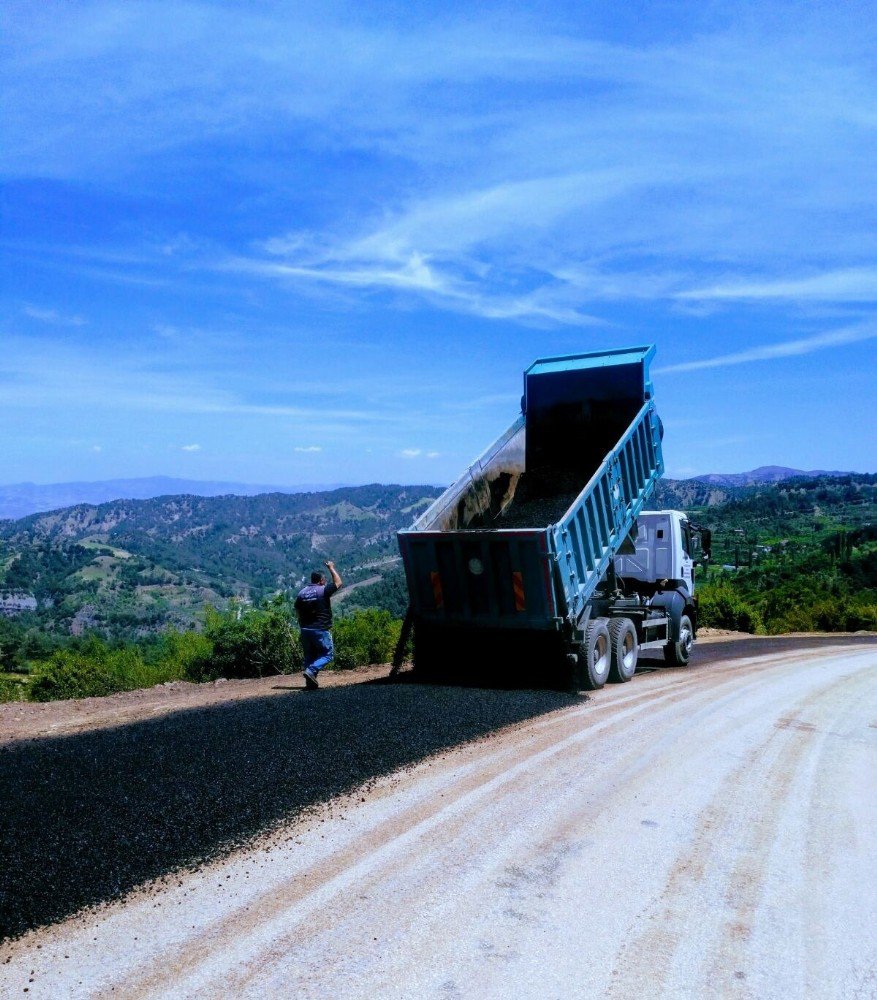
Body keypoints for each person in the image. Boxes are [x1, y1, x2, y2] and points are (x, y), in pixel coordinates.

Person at [294, 560, 343, 689]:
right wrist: (331, 567)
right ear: (321, 580)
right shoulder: (323, 590)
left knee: (309, 656)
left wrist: (302, 624)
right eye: (324, 580)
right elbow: (338, 583)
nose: (325, 582)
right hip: (320, 629)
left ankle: (310, 682)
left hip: (305, 629)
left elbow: (297, 611)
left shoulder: (301, 593)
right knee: (327, 654)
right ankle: (310, 671)